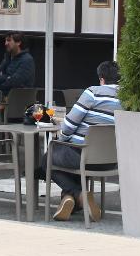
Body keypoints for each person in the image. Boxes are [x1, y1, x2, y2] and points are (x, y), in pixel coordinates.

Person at [48, 61, 122, 221]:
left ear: (101, 79)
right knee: (70, 160)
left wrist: (62, 140)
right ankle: (70, 200)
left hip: (82, 156)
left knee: (47, 158)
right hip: (109, 161)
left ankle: (79, 195)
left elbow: (68, 126)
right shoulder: (128, 98)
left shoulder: (93, 93)